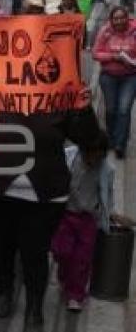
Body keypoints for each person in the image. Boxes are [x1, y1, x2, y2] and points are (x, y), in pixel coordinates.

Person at [0, 86, 99, 332]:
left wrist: (84, 108)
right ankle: (4, 289)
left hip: (45, 191)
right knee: (3, 243)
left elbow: (89, 139)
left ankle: (34, 312)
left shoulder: (62, 89)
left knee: (35, 253)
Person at [52, 133, 114, 312]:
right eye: (90, 155)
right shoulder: (69, 156)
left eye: (98, 156)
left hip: (88, 219)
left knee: (82, 259)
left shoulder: (106, 170)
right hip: (66, 214)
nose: (92, 160)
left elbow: (108, 193)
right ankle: (64, 277)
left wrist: (109, 213)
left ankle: (76, 294)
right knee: (62, 252)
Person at [92, 5, 136, 158]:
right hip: (109, 76)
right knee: (111, 109)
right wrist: (113, 56)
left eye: (121, 18)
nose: (119, 21)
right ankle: (111, 138)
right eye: (115, 19)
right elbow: (95, 53)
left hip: (130, 76)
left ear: (127, 17)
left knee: (124, 109)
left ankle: (120, 144)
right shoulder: (106, 31)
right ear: (111, 20)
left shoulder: (134, 31)